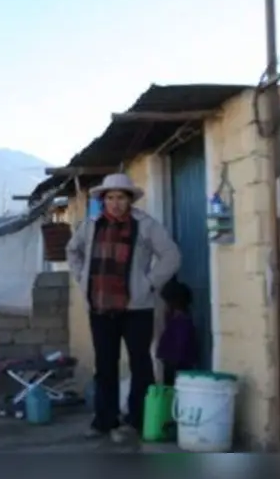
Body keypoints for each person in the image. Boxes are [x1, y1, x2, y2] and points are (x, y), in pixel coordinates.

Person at [66, 173, 181, 444]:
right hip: (100, 305)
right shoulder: (91, 225)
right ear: (103, 200)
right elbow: (73, 251)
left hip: (136, 307)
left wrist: (149, 283)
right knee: (105, 365)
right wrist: (82, 277)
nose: (115, 203)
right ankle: (104, 421)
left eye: (121, 197)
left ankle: (135, 422)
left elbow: (171, 256)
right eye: (110, 198)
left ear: (129, 200)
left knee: (140, 364)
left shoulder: (146, 225)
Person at [156, 279, 198, 386]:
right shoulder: (176, 320)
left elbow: (180, 345)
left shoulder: (181, 322)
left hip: (177, 365)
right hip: (174, 363)